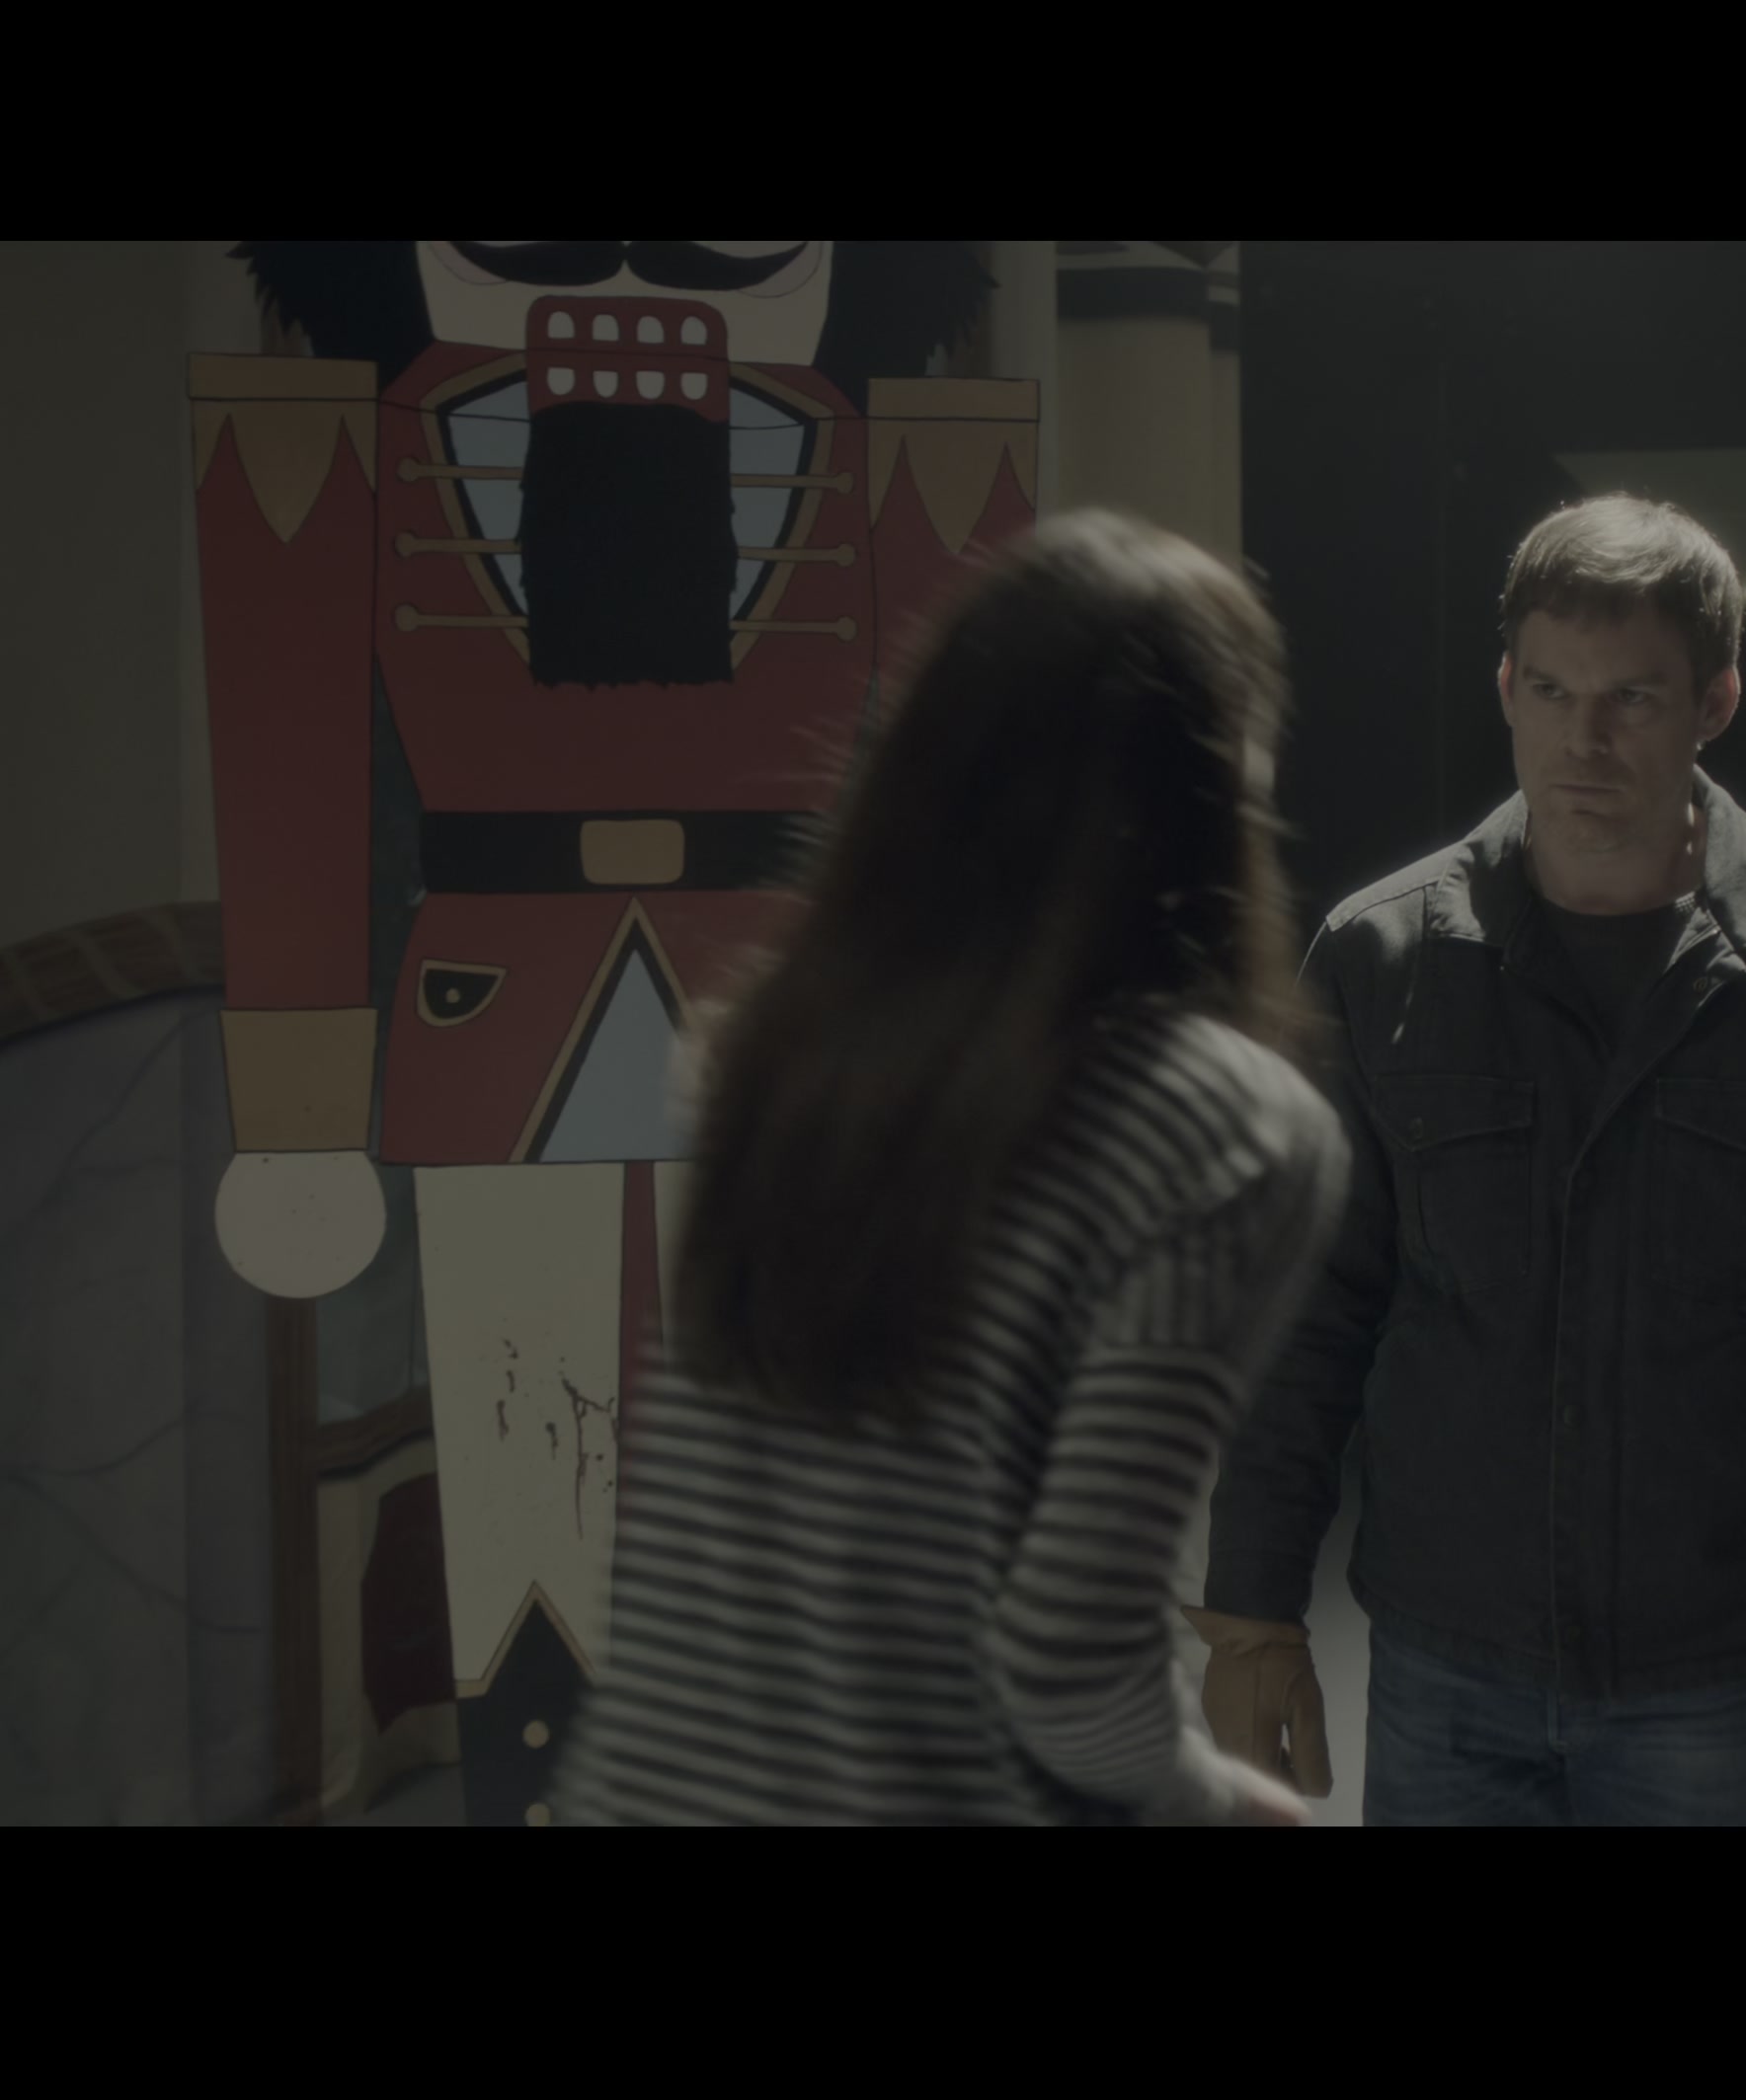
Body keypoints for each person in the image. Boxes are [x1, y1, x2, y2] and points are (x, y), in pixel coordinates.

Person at [1187, 495, 1746, 1828]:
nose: (1585, 739)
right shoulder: (1386, 958)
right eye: (1552, 690)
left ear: (1716, 701)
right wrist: (1251, 1614)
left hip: (1717, 1666)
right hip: (1446, 1658)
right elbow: (1308, 1307)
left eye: (1633, 697)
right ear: (1506, 687)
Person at [545, 512, 1345, 1826]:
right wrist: (1222, 1801)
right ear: (1221, 780)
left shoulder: (780, 1052)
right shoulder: (1227, 1128)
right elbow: (1071, 1666)